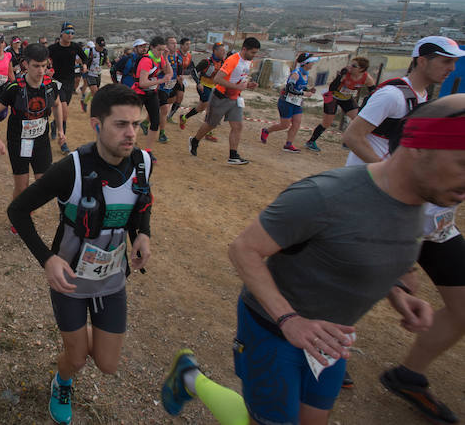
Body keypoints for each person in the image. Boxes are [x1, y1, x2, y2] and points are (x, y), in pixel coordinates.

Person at [162, 94, 465, 425]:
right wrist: (289, 319)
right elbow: (243, 249)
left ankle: (191, 378)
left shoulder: (420, 203)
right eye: (463, 163)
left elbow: (364, 248)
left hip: (331, 339)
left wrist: (397, 292)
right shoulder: (327, 195)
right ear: (419, 146)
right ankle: (191, 380)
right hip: (273, 331)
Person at [7, 83, 153, 425]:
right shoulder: (70, 169)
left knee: (108, 364)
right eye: (121, 124)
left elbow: (140, 203)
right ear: (96, 124)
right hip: (70, 280)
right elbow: (17, 210)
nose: (131, 133)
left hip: (112, 278)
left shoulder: (143, 163)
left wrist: (142, 233)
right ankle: (63, 382)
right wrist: (48, 259)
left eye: (136, 124)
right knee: (76, 358)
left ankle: (82, 341)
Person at [342, 36, 465, 422]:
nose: (450, 69)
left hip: (435, 221)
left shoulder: (433, 104)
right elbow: (353, 136)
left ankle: (409, 376)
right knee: (355, 286)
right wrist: (394, 176)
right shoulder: (394, 96)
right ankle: (323, 351)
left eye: (453, 63)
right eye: (444, 62)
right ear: (422, 60)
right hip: (388, 206)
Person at [0, 42, 64, 203]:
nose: (41, 71)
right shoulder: (14, 88)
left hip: (41, 141)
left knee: (43, 183)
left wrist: (61, 130)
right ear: (25, 64)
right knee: (22, 186)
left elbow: (57, 105)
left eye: (44, 66)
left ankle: (23, 210)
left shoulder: (50, 86)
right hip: (19, 142)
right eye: (36, 66)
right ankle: (19, 215)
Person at [189, 37, 260, 165]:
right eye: (253, 52)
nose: (254, 55)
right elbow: (217, 79)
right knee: (211, 124)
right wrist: (237, 87)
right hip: (221, 97)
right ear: (244, 49)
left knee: (238, 126)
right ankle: (194, 140)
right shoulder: (233, 60)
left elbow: (239, 79)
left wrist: (248, 85)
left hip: (236, 98)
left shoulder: (249, 62)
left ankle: (233, 155)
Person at [305, 57, 376, 152]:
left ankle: (347, 141)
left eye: (354, 66)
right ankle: (311, 141)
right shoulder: (345, 73)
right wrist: (340, 77)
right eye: (350, 64)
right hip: (333, 96)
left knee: (357, 119)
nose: (350, 67)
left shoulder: (366, 78)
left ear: (361, 69)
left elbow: (373, 91)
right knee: (327, 122)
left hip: (346, 98)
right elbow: (332, 88)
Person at [260, 53, 319, 153]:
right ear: (306, 63)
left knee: (297, 123)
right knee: (285, 125)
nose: (313, 64)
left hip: (296, 103)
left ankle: (288, 144)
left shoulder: (306, 74)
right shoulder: (296, 74)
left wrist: (309, 90)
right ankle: (266, 131)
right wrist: (304, 93)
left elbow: (300, 87)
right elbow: (290, 89)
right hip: (286, 102)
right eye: (312, 62)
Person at [47, 22, 90, 154]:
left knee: (63, 115)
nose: (70, 35)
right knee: (64, 112)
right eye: (68, 33)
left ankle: (55, 124)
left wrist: (85, 65)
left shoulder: (75, 47)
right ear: (61, 33)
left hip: (69, 82)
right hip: (56, 82)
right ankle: (63, 142)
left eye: (72, 33)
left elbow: (85, 58)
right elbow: (43, 59)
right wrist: (48, 68)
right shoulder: (53, 48)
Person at [180, 41, 226, 142]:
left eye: (224, 50)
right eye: (222, 50)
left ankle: (184, 117)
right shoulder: (206, 61)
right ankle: (208, 133)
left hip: (213, 86)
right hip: (203, 86)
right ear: (215, 51)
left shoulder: (223, 62)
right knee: (210, 106)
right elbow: (194, 71)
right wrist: (198, 83)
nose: (224, 52)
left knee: (201, 108)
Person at [165, 38, 194, 124]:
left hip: (180, 79)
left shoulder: (189, 56)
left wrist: (184, 74)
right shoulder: (176, 54)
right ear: (181, 45)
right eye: (187, 44)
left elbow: (191, 68)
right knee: (169, 99)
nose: (189, 46)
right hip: (173, 78)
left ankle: (170, 116)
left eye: (189, 44)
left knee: (180, 97)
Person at [79, 37, 108, 112]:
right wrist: (84, 65)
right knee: (95, 92)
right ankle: (96, 109)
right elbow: (80, 59)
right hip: (90, 73)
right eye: (100, 46)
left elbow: (106, 58)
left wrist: (108, 62)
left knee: (94, 92)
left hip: (98, 73)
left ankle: (84, 101)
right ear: (96, 44)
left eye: (103, 46)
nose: (101, 48)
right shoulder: (89, 51)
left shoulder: (104, 51)